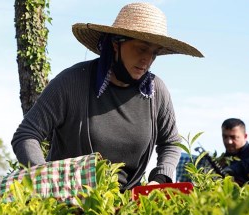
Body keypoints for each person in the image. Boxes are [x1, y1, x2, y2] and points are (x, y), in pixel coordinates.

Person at [11, 2, 203, 192]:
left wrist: (160, 178)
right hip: (71, 200)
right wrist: (47, 179)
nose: (147, 59)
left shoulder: (156, 91)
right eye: (141, 48)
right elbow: (26, 135)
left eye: (154, 53)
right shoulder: (72, 82)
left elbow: (170, 142)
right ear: (115, 44)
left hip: (129, 207)